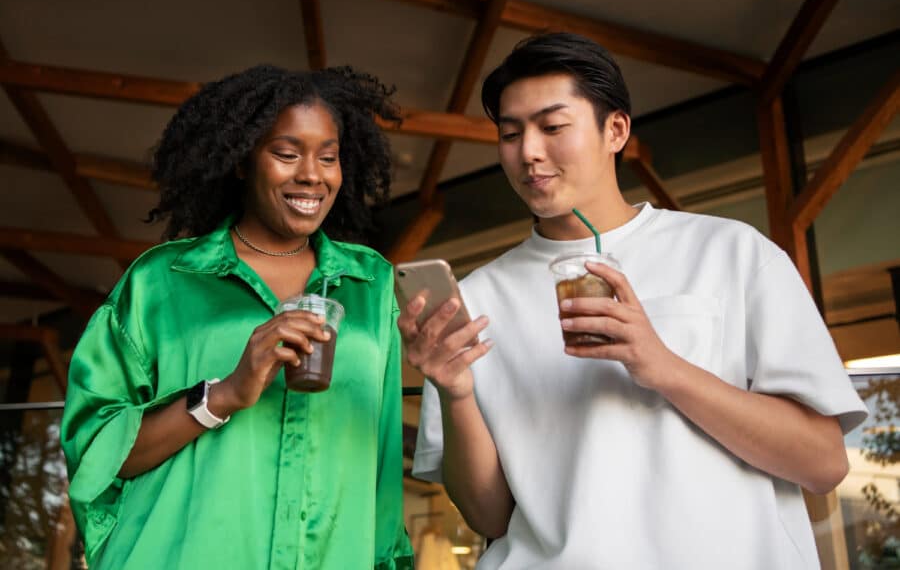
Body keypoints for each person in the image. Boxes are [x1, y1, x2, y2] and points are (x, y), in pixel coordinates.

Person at [406, 32, 868, 569]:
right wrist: (456, 392)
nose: (529, 152)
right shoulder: (475, 299)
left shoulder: (732, 253)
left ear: (616, 130)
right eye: (510, 134)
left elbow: (823, 462)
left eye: (553, 127)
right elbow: (490, 519)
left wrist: (662, 366)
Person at [61, 65, 414, 569]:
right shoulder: (162, 281)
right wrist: (225, 393)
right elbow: (96, 452)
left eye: (328, 157)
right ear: (244, 161)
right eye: (286, 154)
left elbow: (382, 464)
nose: (311, 174)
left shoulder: (371, 285)